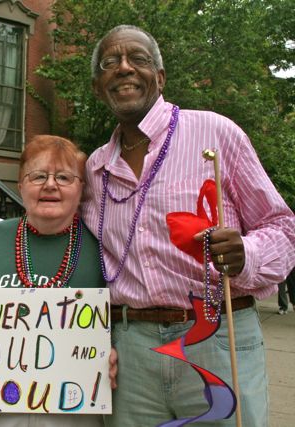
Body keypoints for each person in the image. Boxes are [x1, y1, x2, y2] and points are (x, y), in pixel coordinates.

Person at [82, 24, 295, 426]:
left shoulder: (214, 132)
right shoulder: (95, 169)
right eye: (111, 63)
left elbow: (283, 226)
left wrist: (247, 254)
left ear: (160, 78)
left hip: (217, 336)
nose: (124, 68)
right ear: (98, 87)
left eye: (138, 59)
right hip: (131, 351)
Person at [0, 135, 116, 427]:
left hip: (75, 407)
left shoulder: (103, 245)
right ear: (21, 185)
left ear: (81, 188)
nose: (50, 185)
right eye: (38, 176)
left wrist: (114, 350)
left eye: (64, 176)